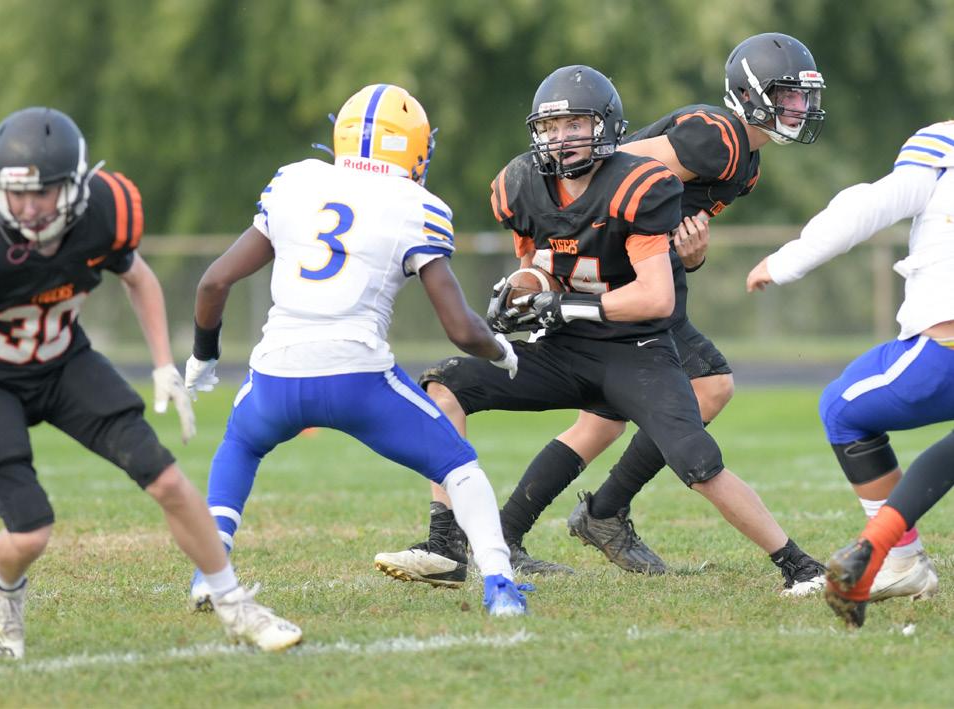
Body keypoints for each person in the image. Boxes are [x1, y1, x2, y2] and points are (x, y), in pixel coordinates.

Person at [376, 40, 828, 595]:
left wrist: (675, 259)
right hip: (600, 281)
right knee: (657, 400)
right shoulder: (718, 138)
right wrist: (537, 278)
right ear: (752, 94)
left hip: (630, 293)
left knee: (644, 411)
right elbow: (610, 176)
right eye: (787, 96)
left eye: (802, 98)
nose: (799, 108)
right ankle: (526, 528)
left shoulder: (743, 164)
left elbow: (646, 226)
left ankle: (584, 516)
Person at [0, 107, 301, 658]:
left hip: (64, 364)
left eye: (42, 192)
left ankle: (234, 604)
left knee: (167, 480)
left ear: (74, 186)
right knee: (29, 533)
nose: (28, 207)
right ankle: (4, 591)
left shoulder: (102, 216)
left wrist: (163, 363)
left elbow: (138, 278)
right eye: (16, 193)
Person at [182, 84, 530, 619]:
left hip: (276, 376)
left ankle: (211, 572)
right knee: (458, 465)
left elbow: (213, 282)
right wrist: (502, 350)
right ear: (414, 148)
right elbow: (461, 328)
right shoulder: (416, 205)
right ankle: (500, 585)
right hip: (357, 378)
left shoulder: (295, 181)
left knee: (239, 446)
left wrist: (203, 356)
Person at [746, 120, 954, 626]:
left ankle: (898, 557)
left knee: (843, 409)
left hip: (945, 347)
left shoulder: (944, 142)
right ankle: (890, 552)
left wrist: (786, 261)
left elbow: (871, 204)